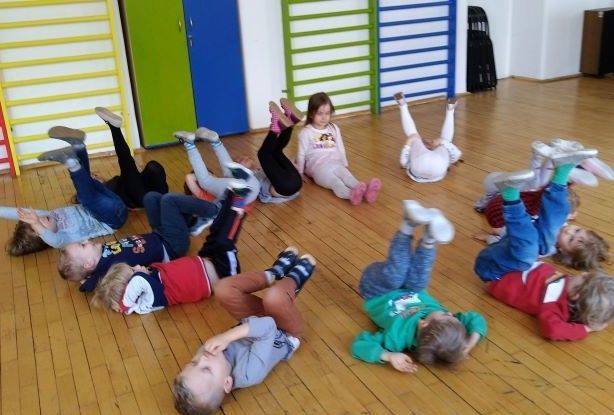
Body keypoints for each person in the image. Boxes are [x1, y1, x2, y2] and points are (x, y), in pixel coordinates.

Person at [172, 248, 317, 415]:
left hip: (254, 321)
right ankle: (293, 281)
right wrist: (226, 337)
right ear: (227, 383)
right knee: (274, 299)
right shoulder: (249, 373)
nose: (202, 358)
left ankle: (274, 273)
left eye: (193, 363)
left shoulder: (209, 356)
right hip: (284, 332)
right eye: (206, 369)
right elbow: (269, 326)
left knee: (223, 289)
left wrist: (224, 339)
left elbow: (256, 325)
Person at [351, 201, 487, 372]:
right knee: (420, 279)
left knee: (396, 275)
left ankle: (408, 223)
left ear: (423, 324)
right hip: (410, 288)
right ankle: (429, 236)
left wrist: (388, 356)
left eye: (445, 315)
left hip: (377, 290)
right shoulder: (446, 324)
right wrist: (469, 344)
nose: (450, 313)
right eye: (452, 317)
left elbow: (359, 345)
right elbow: (476, 319)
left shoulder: (398, 337)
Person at [57, 183, 252, 292]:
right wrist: (87, 280)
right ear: (89, 263)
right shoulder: (106, 268)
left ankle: (190, 223)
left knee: (150, 197)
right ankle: (214, 211)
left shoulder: (99, 255)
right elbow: (92, 285)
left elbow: (86, 277)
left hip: (158, 234)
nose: (86, 241)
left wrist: (84, 275)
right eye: (82, 246)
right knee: (169, 201)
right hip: (171, 246)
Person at [90, 197, 257, 314]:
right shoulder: (150, 299)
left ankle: (233, 193)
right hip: (225, 274)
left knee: (216, 232)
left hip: (204, 259)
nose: (137, 266)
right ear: (132, 291)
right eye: (133, 271)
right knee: (224, 240)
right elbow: (138, 282)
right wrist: (123, 304)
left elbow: (137, 280)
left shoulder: (147, 279)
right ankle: (239, 204)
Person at [474, 144, 609, 283]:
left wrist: (488, 238)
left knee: (529, 253)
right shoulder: (555, 228)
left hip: (490, 270)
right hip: (513, 243)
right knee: (558, 216)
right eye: (577, 230)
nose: (569, 231)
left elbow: (508, 240)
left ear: (563, 252)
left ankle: (511, 196)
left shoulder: (545, 249)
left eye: (570, 239)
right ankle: (561, 172)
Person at [3, 134, 128, 255]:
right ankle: (71, 163)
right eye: (35, 227)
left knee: (87, 183)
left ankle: (78, 146)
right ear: (44, 238)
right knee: (85, 198)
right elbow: (51, 239)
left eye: (34, 219)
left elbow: (18, 212)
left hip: (107, 201)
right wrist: (36, 223)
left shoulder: (48, 215)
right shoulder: (61, 239)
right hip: (112, 218)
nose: (38, 219)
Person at [474, 138, 612, 212]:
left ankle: (555, 155)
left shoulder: (493, 203)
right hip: (496, 181)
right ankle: (557, 152)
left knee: (537, 183)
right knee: (539, 183)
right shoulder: (495, 202)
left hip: (493, 183)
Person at [485, 264, 614, 341]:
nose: (583, 272)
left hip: (500, 276)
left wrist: (586, 328)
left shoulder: (553, 302)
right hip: (503, 272)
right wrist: (588, 328)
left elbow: (552, 330)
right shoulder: (566, 291)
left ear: (576, 294)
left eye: (585, 277)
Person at [296, 92, 381, 205]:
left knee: (349, 178)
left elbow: (340, 147)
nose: (324, 117)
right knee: (336, 183)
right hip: (319, 169)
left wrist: (344, 164)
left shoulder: (334, 128)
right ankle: (351, 194)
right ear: (311, 114)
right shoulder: (306, 132)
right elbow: (301, 155)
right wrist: (300, 173)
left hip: (336, 164)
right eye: (320, 113)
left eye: (327, 113)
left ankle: (366, 191)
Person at [395, 92, 462, 183]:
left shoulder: (416, 153)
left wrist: (410, 140)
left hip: (424, 168)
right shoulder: (444, 154)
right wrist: (442, 141)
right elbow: (457, 154)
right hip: (436, 169)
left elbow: (403, 162)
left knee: (414, 135)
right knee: (446, 141)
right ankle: (450, 110)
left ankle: (402, 105)